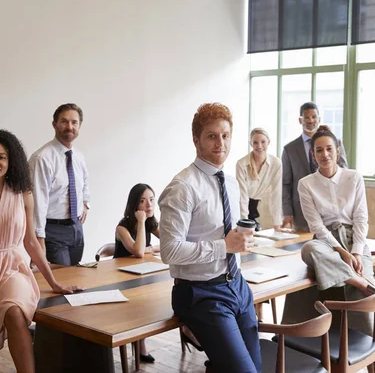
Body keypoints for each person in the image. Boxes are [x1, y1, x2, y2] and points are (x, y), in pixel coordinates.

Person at [0, 130, 81, 373]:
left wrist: (53, 281)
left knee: (13, 310)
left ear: (11, 162)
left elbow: (31, 242)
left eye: (1, 157)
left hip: (13, 269)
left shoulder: (23, 196)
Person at [159, 102, 261, 373]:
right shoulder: (183, 186)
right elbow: (169, 251)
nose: (220, 143)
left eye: (225, 135)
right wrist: (223, 246)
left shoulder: (231, 182)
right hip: (200, 292)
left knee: (254, 368)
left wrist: (241, 240)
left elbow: (229, 233)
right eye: (212, 136)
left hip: (237, 286)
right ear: (196, 140)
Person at [298, 125, 375, 335]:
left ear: (337, 150)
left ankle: (368, 354)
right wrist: (340, 253)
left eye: (329, 149)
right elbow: (316, 226)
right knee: (309, 249)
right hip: (325, 242)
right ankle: (356, 279)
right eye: (319, 150)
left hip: (354, 239)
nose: (324, 155)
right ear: (312, 154)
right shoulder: (305, 184)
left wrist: (355, 252)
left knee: (364, 299)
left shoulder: (354, 177)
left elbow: (361, 218)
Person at [29, 103, 90, 266]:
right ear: (54, 124)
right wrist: (39, 239)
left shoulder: (78, 156)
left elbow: (85, 182)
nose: (69, 126)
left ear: (79, 125)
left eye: (74, 122)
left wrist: (85, 203)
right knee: (59, 283)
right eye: (64, 121)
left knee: (75, 277)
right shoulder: (42, 158)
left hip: (76, 229)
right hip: (52, 231)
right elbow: (37, 203)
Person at [281, 102, 348, 232]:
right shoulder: (290, 149)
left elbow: (343, 172)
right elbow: (285, 183)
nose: (310, 120)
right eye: (306, 117)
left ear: (319, 119)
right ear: (300, 120)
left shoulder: (336, 143)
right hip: (302, 213)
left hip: (331, 209)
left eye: (314, 117)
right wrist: (287, 212)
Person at [113, 183, 161, 362]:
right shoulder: (122, 227)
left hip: (141, 274)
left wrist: (150, 247)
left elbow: (169, 241)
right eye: (143, 201)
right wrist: (141, 222)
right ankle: (140, 347)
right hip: (121, 278)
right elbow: (139, 251)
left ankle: (141, 347)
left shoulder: (150, 223)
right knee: (139, 307)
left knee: (147, 304)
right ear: (134, 205)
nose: (149, 205)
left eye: (151, 200)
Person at [236, 128, 283, 232]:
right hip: (243, 208)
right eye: (255, 142)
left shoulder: (276, 163)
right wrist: (244, 224)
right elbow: (242, 196)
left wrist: (277, 223)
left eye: (263, 142)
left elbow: (277, 194)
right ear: (251, 144)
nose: (259, 146)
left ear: (269, 142)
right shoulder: (241, 164)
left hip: (264, 208)